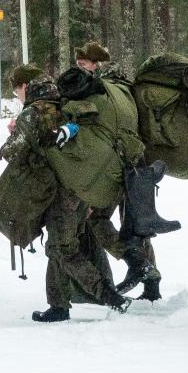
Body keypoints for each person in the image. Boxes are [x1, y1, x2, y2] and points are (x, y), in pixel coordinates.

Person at [0, 67, 129, 322]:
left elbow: (11, 152)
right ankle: (58, 304)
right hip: (80, 185)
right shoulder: (68, 105)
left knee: (61, 247)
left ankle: (108, 295)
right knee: (59, 243)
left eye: (17, 91)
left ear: (27, 86)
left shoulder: (34, 112)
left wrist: (12, 138)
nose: (17, 96)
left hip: (56, 190)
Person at [71, 41, 162, 300]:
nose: (80, 69)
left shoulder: (98, 91)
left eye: (83, 64)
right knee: (136, 226)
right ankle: (151, 282)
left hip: (112, 167)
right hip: (136, 163)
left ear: (97, 65)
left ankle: (137, 263)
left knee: (96, 218)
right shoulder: (125, 89)